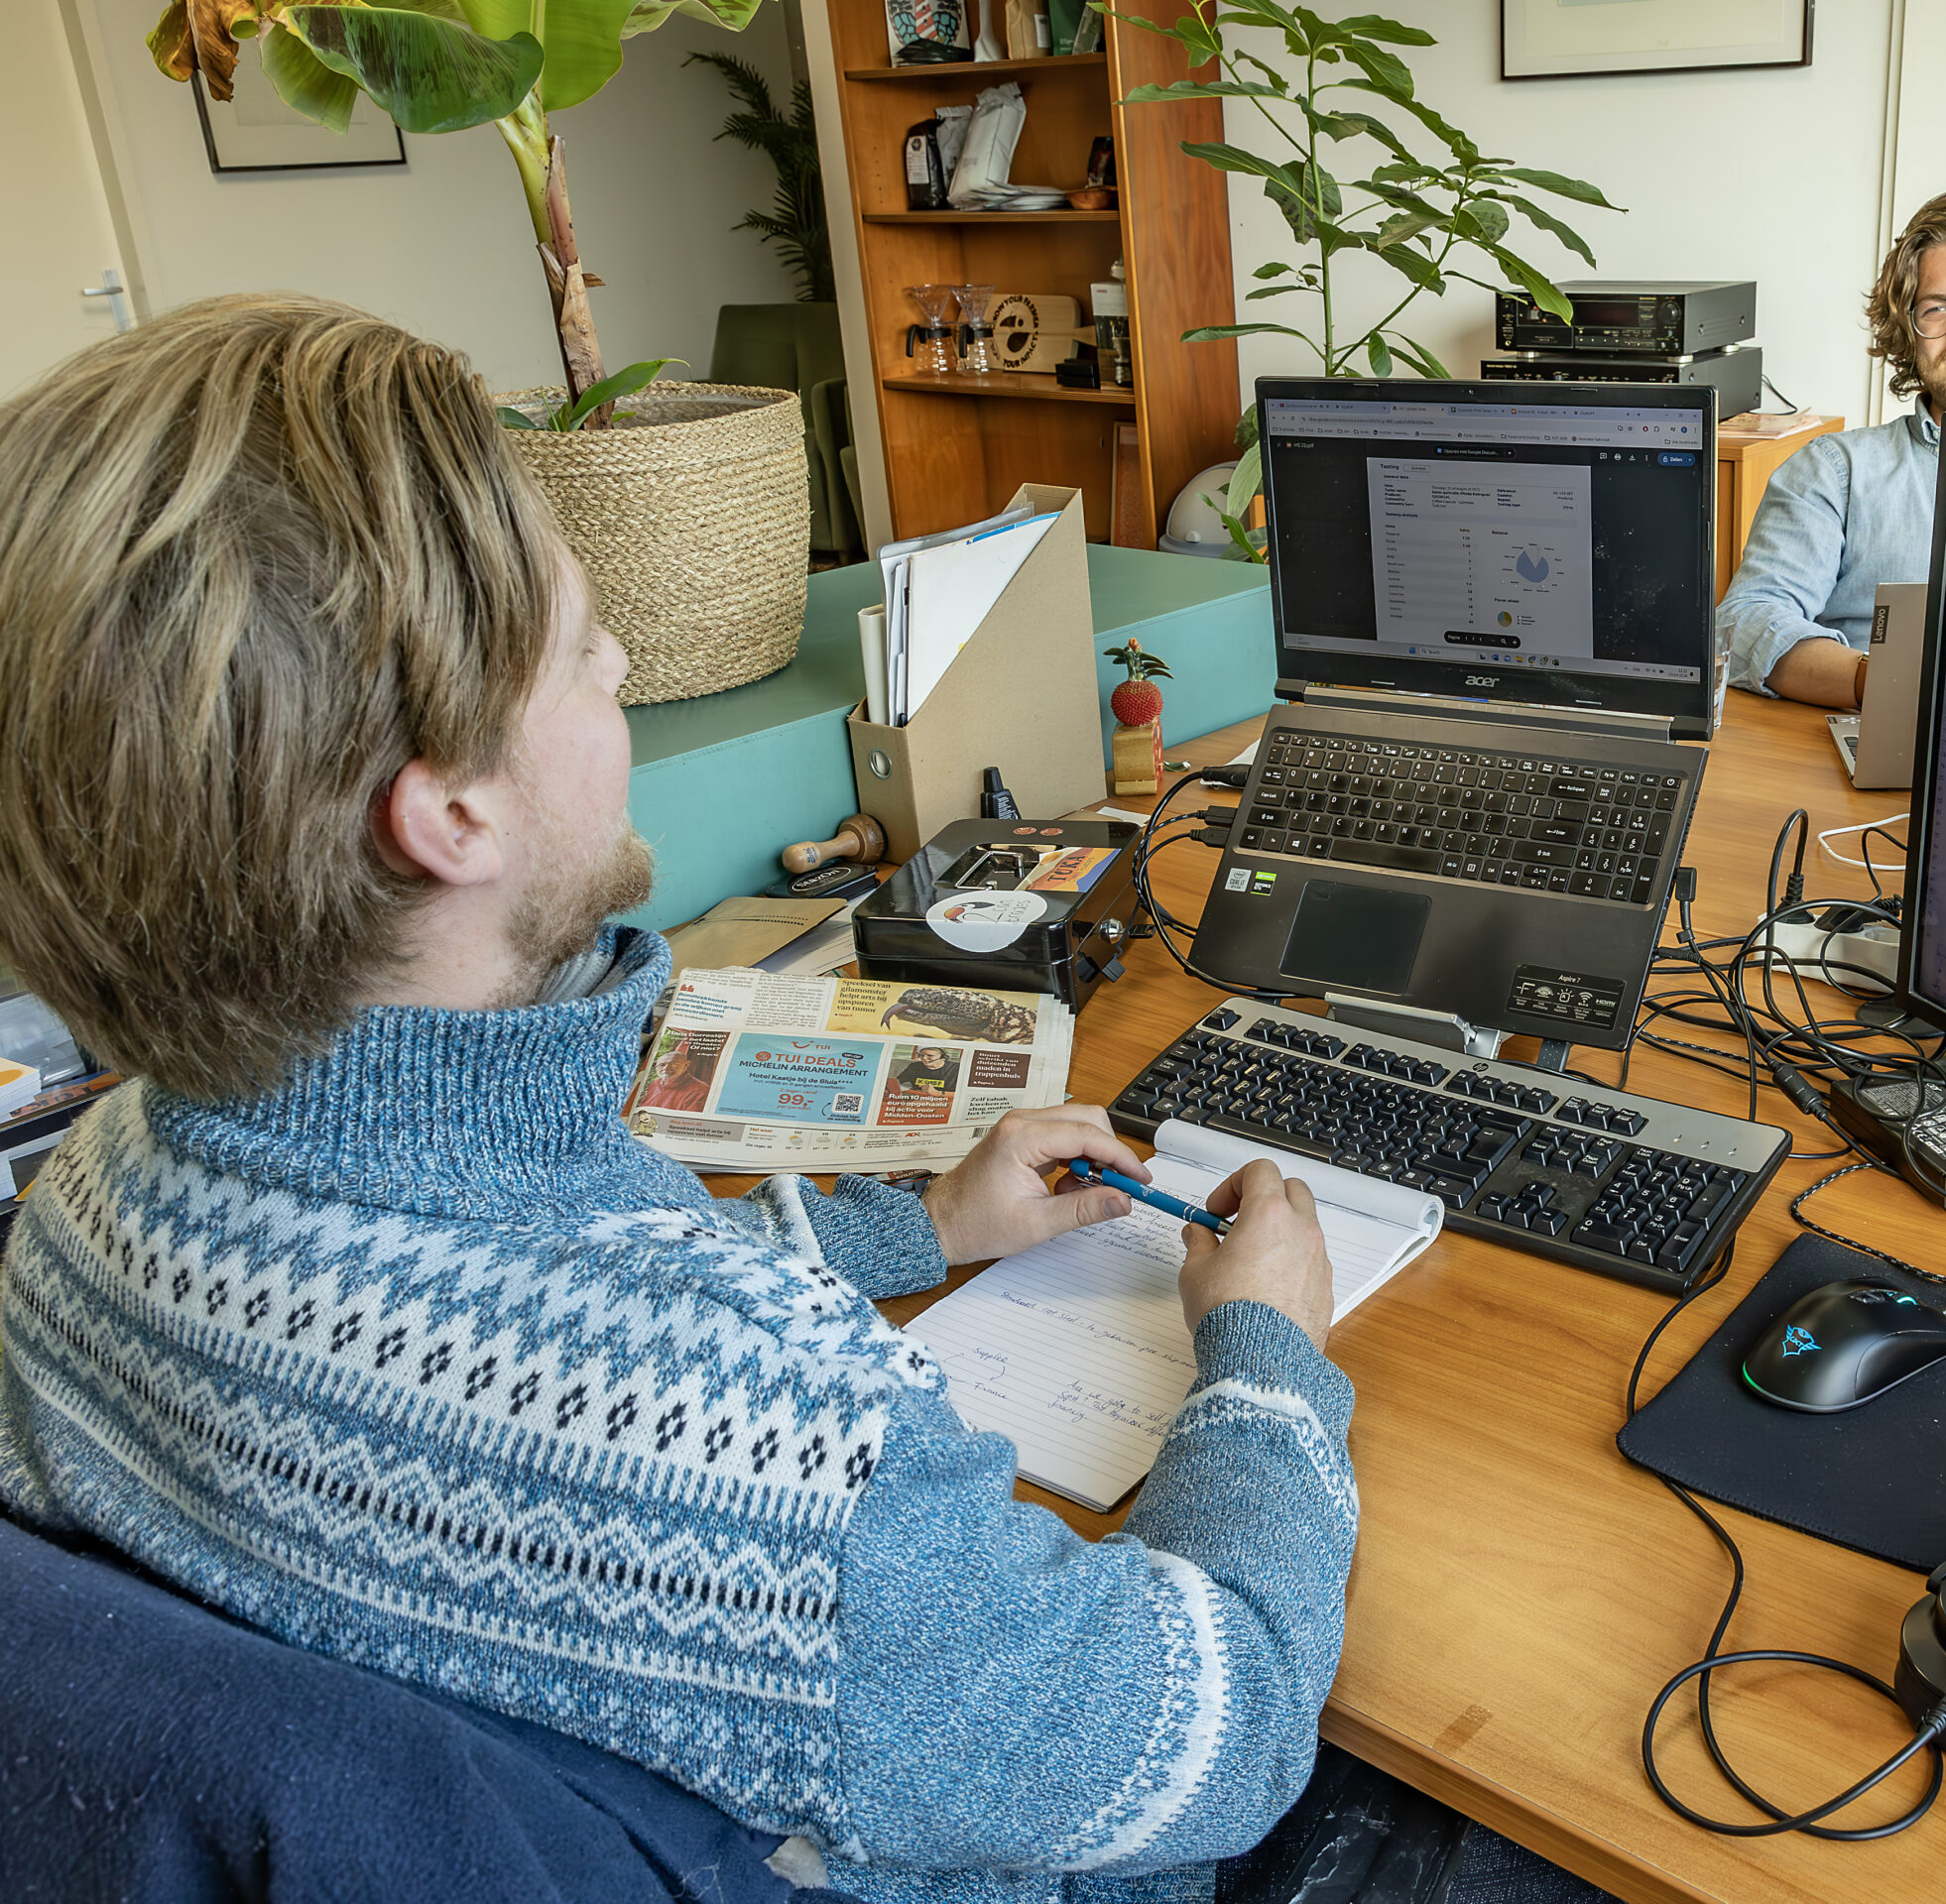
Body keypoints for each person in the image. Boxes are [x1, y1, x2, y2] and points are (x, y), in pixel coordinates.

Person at [0, 298, 1352, 1904]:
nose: (625, 666)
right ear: (449, 814)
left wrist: (916, 1224)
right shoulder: (775, 1471)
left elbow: (510, 1319)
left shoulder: (89, 1192)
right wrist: (1269, 1353)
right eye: (583, 648)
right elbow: (1220, 1734)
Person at [1719, 183, 1946, 708]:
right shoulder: (1835, 473)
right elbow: (1743, 622)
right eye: (1937, 307)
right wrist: (1890, 683)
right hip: (1877, 737)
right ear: (1911, 328)